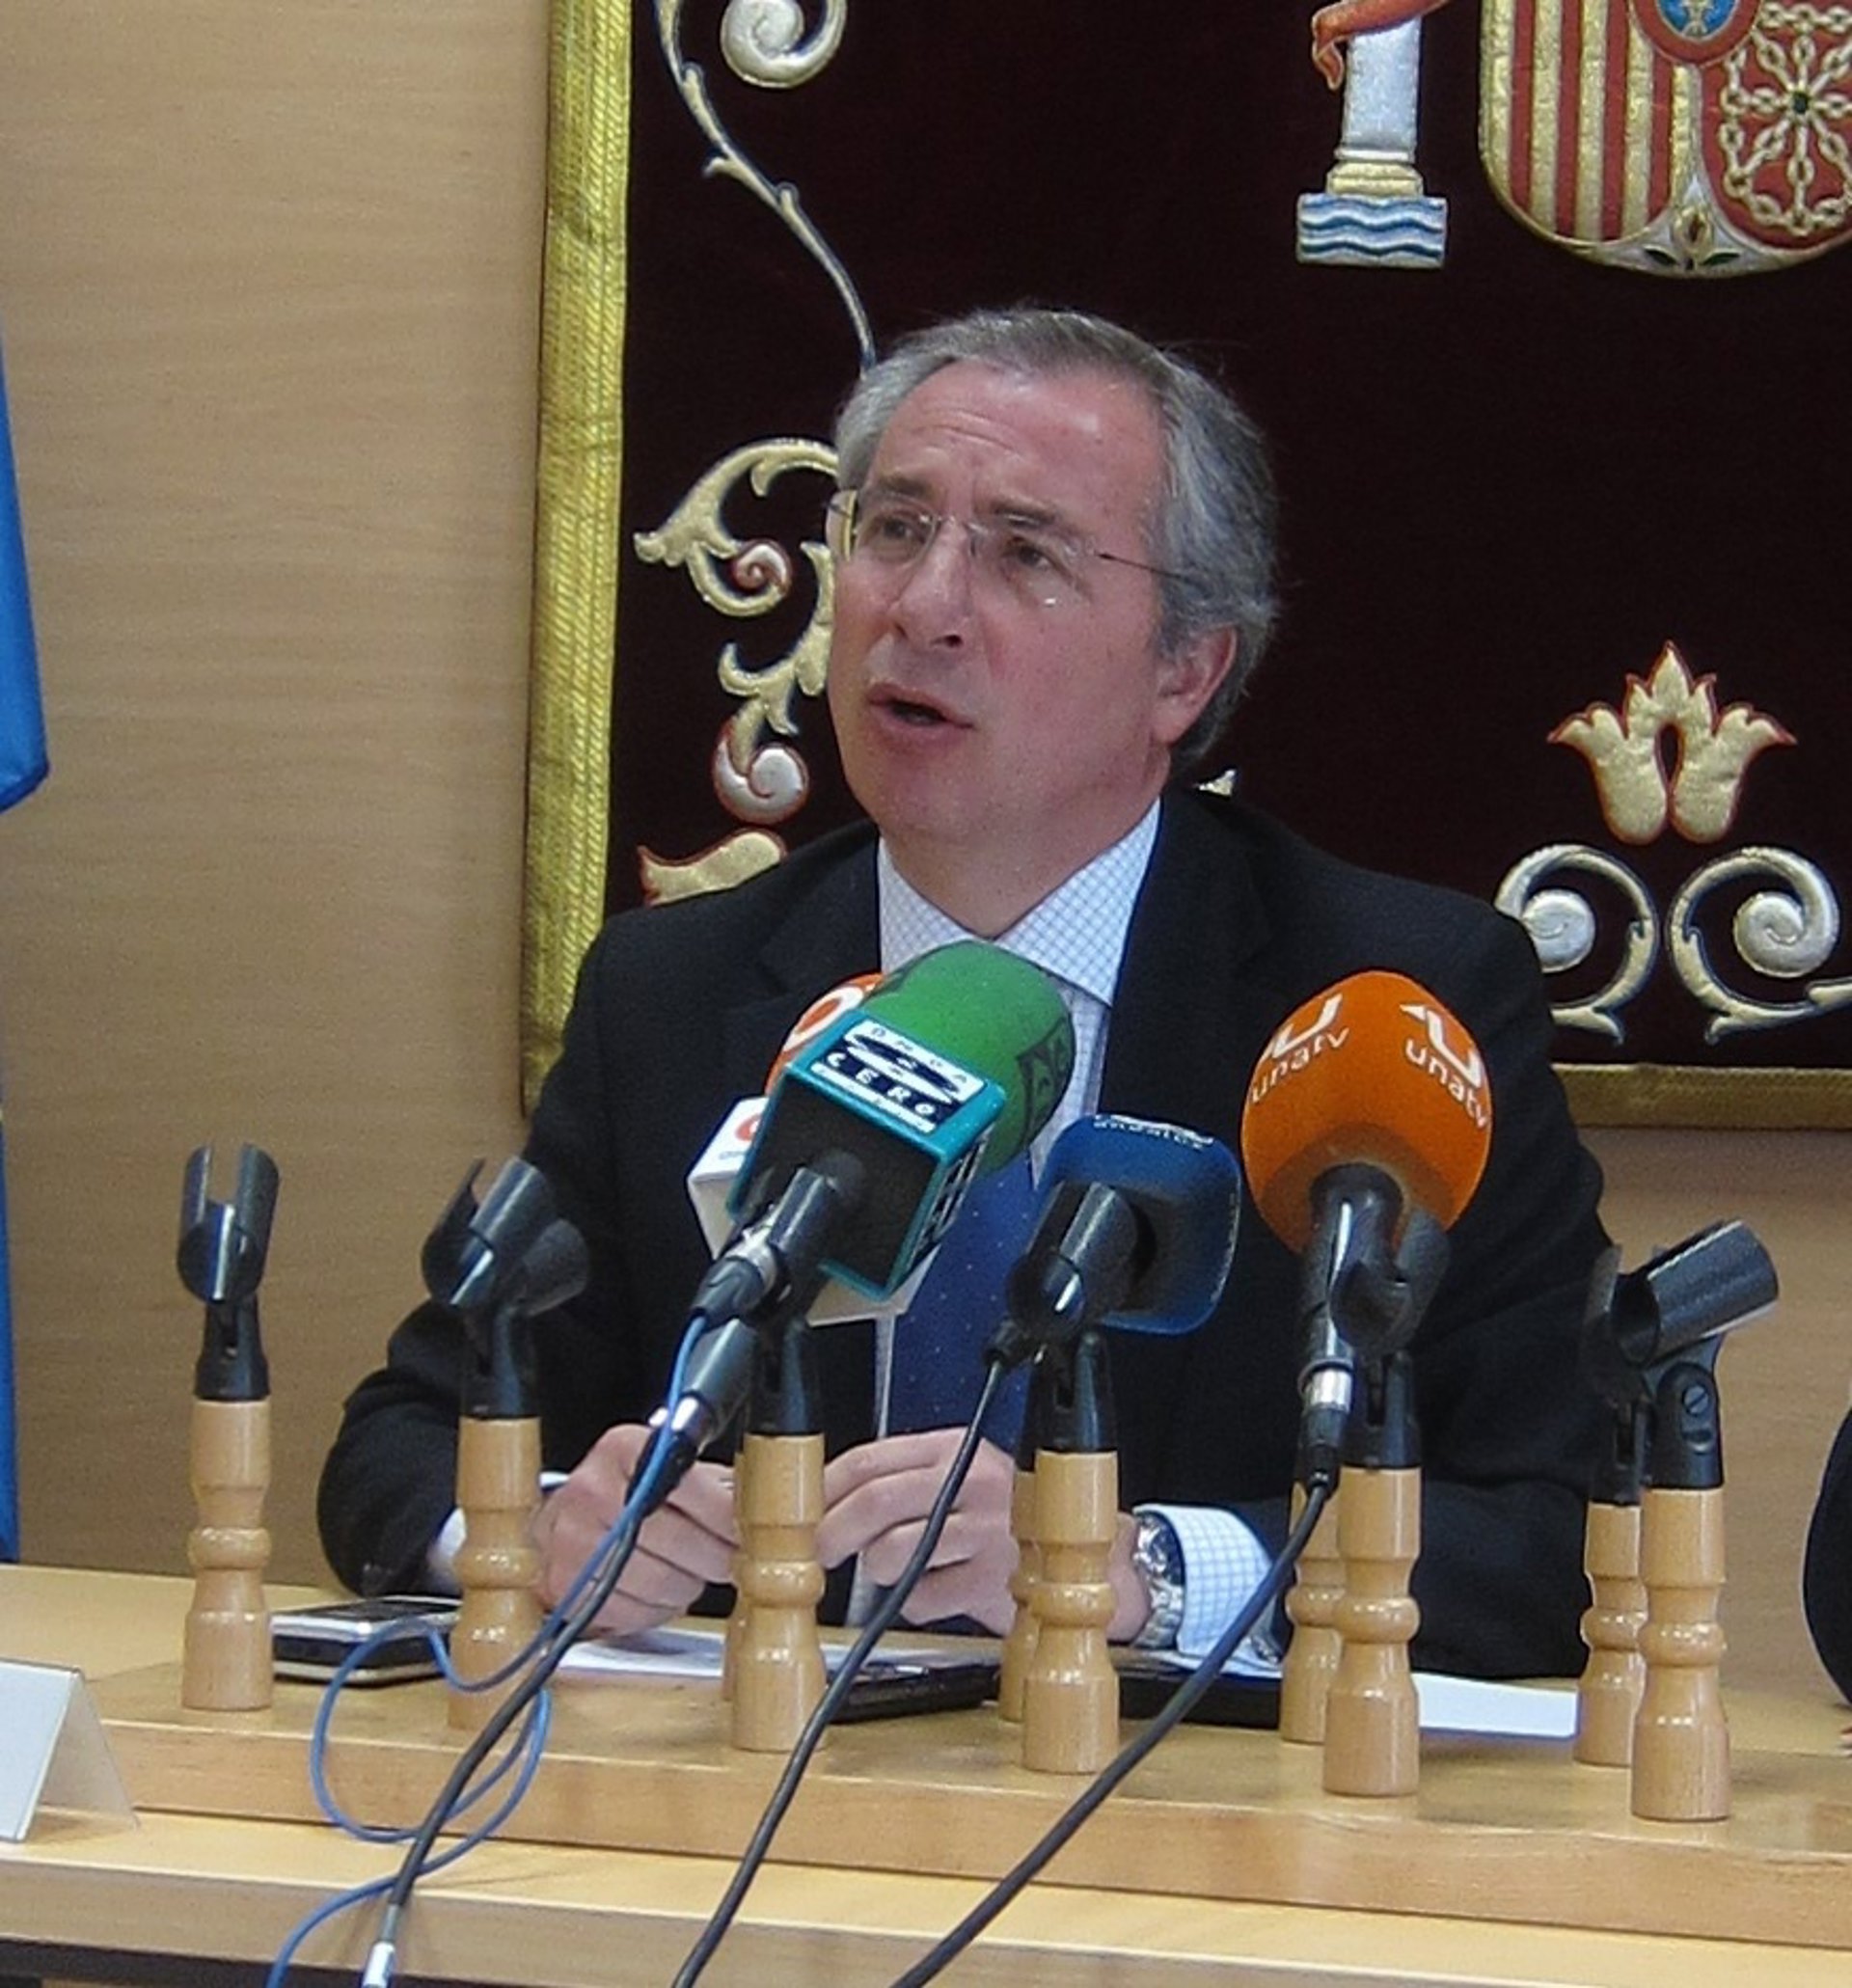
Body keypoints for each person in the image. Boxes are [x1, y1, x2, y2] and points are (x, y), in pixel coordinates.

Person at [319, 306, 1610, 1677]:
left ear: (1184, 669)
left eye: (1024, 553)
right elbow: (402, 1442)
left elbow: (1550, 1528)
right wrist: (534, 1533)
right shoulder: (675, 994)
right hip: (762, 1773)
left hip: (1188, 1794)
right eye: (894, 529)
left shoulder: (1392, 1003)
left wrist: (1134, 1567)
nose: (922, 607)